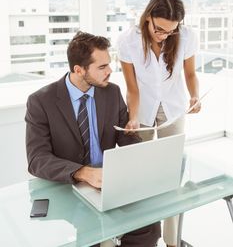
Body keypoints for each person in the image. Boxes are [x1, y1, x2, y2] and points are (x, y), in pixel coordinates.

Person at [25, 31, 161, 247]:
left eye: (109, 64)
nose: (110, 71)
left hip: (108, 182)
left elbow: (124, 138)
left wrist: (134, 140)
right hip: (70, 187)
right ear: (78, 70)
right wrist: (82, 172)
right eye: (101, 67)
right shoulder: (41, 101)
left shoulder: (112, 92)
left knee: (150, 226)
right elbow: (37, 159)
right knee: (91, 239)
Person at [117, 0, 201, 247]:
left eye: (171, 31)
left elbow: (189, 73)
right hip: (141, 111)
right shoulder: (127, 41)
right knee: (143, 175)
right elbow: (132, 88)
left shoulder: (186, 37)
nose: (164, 35)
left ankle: (172, 240)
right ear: (148, 17)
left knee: (171, 174)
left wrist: (195, 96)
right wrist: (132, 118)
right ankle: (144, 238)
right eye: (160, 29)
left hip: (173, 109)